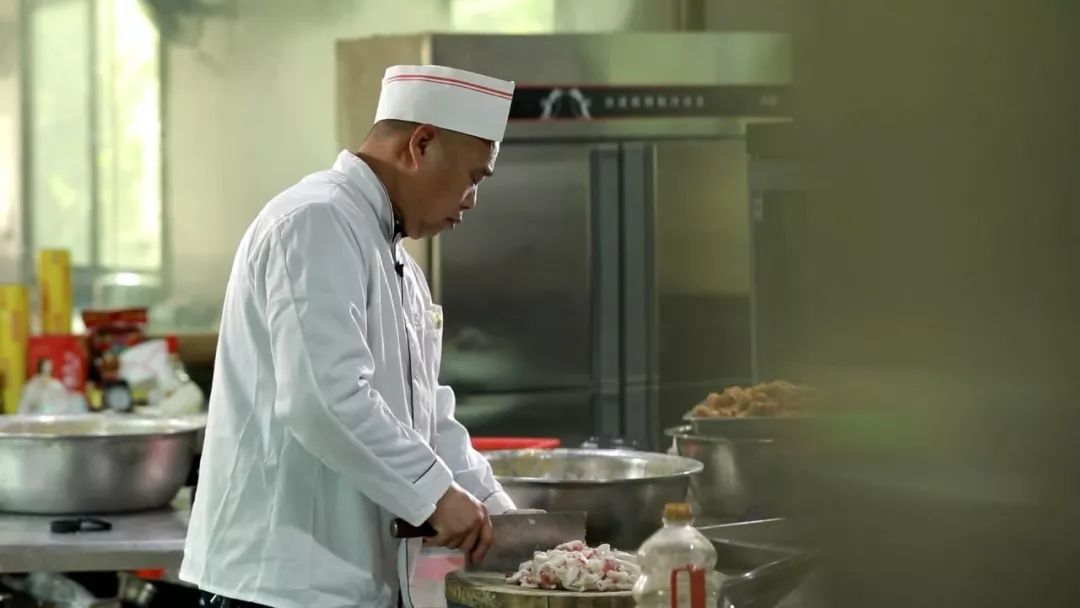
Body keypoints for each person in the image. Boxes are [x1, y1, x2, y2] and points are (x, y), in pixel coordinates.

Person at [180, 65, 518, 608]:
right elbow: (322, 399)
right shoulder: (316, 220)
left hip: (351, 588)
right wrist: (436, 494)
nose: (472, 199)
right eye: (473, 177)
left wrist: (502, 518)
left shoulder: (396, 261)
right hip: (280, 589)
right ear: (421, 144)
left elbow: (426, 420)